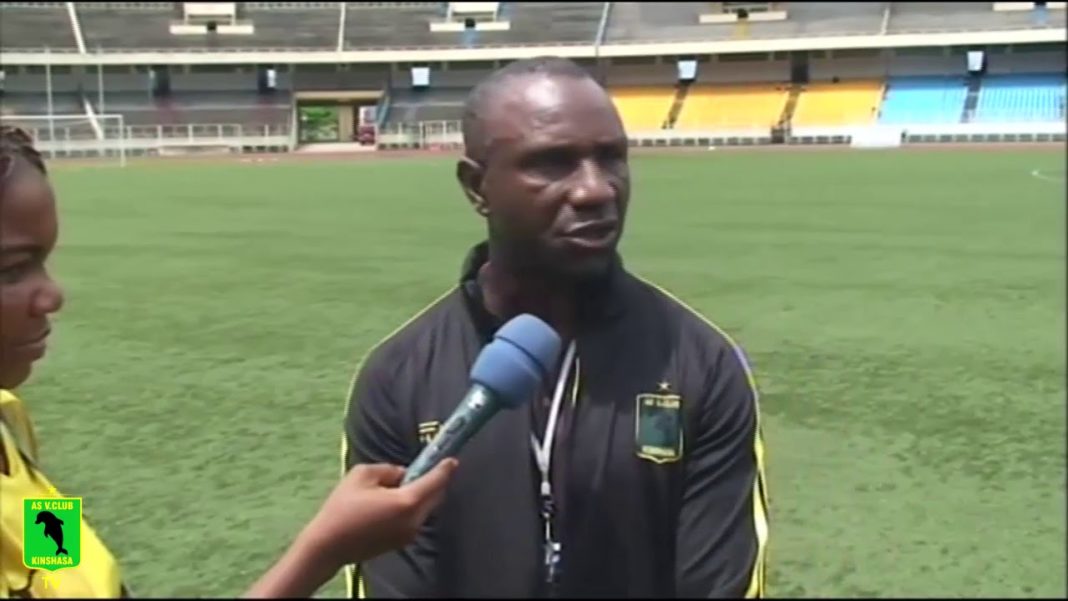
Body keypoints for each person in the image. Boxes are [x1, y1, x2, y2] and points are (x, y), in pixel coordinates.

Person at [341, 56, 770, 599]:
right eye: (553, 162)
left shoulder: (701, 363)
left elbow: (720, 585)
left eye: (611, 158)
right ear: (477, 188)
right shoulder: (398, 377)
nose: (596, 190)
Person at [0, 125, 457, 599]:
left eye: (43, 262)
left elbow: (60, 565)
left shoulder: (10, 421)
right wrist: (321, 552)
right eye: (12, 270)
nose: (51, 295)